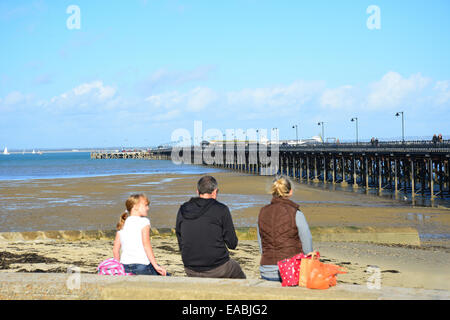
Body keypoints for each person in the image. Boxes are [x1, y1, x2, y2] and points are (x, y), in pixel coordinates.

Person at [175, 175, 246, 279]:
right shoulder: (221, 209)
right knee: (237, 271)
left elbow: (179, 236)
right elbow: (232, 243)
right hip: (217, 266)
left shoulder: (183, 209)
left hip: (190, 267)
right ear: (215, 191)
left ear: (197, 191)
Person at [257, 175, 313, 282]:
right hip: (291, 269)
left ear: (273, 191)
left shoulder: (262, 212)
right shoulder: (295, 213)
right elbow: (307, 243)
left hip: (266, 269)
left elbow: (261, 245)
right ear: (290, 192)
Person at [113, 194, 168, 276]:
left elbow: (115, 250)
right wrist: (156, 266)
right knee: (166, 276)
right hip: (142, 265)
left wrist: (118, 268)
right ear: (135, 207)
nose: (148, 208)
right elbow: (146, 245)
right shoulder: (144, 222)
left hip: (125, 266)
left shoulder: (123, 223)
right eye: (145, 205)